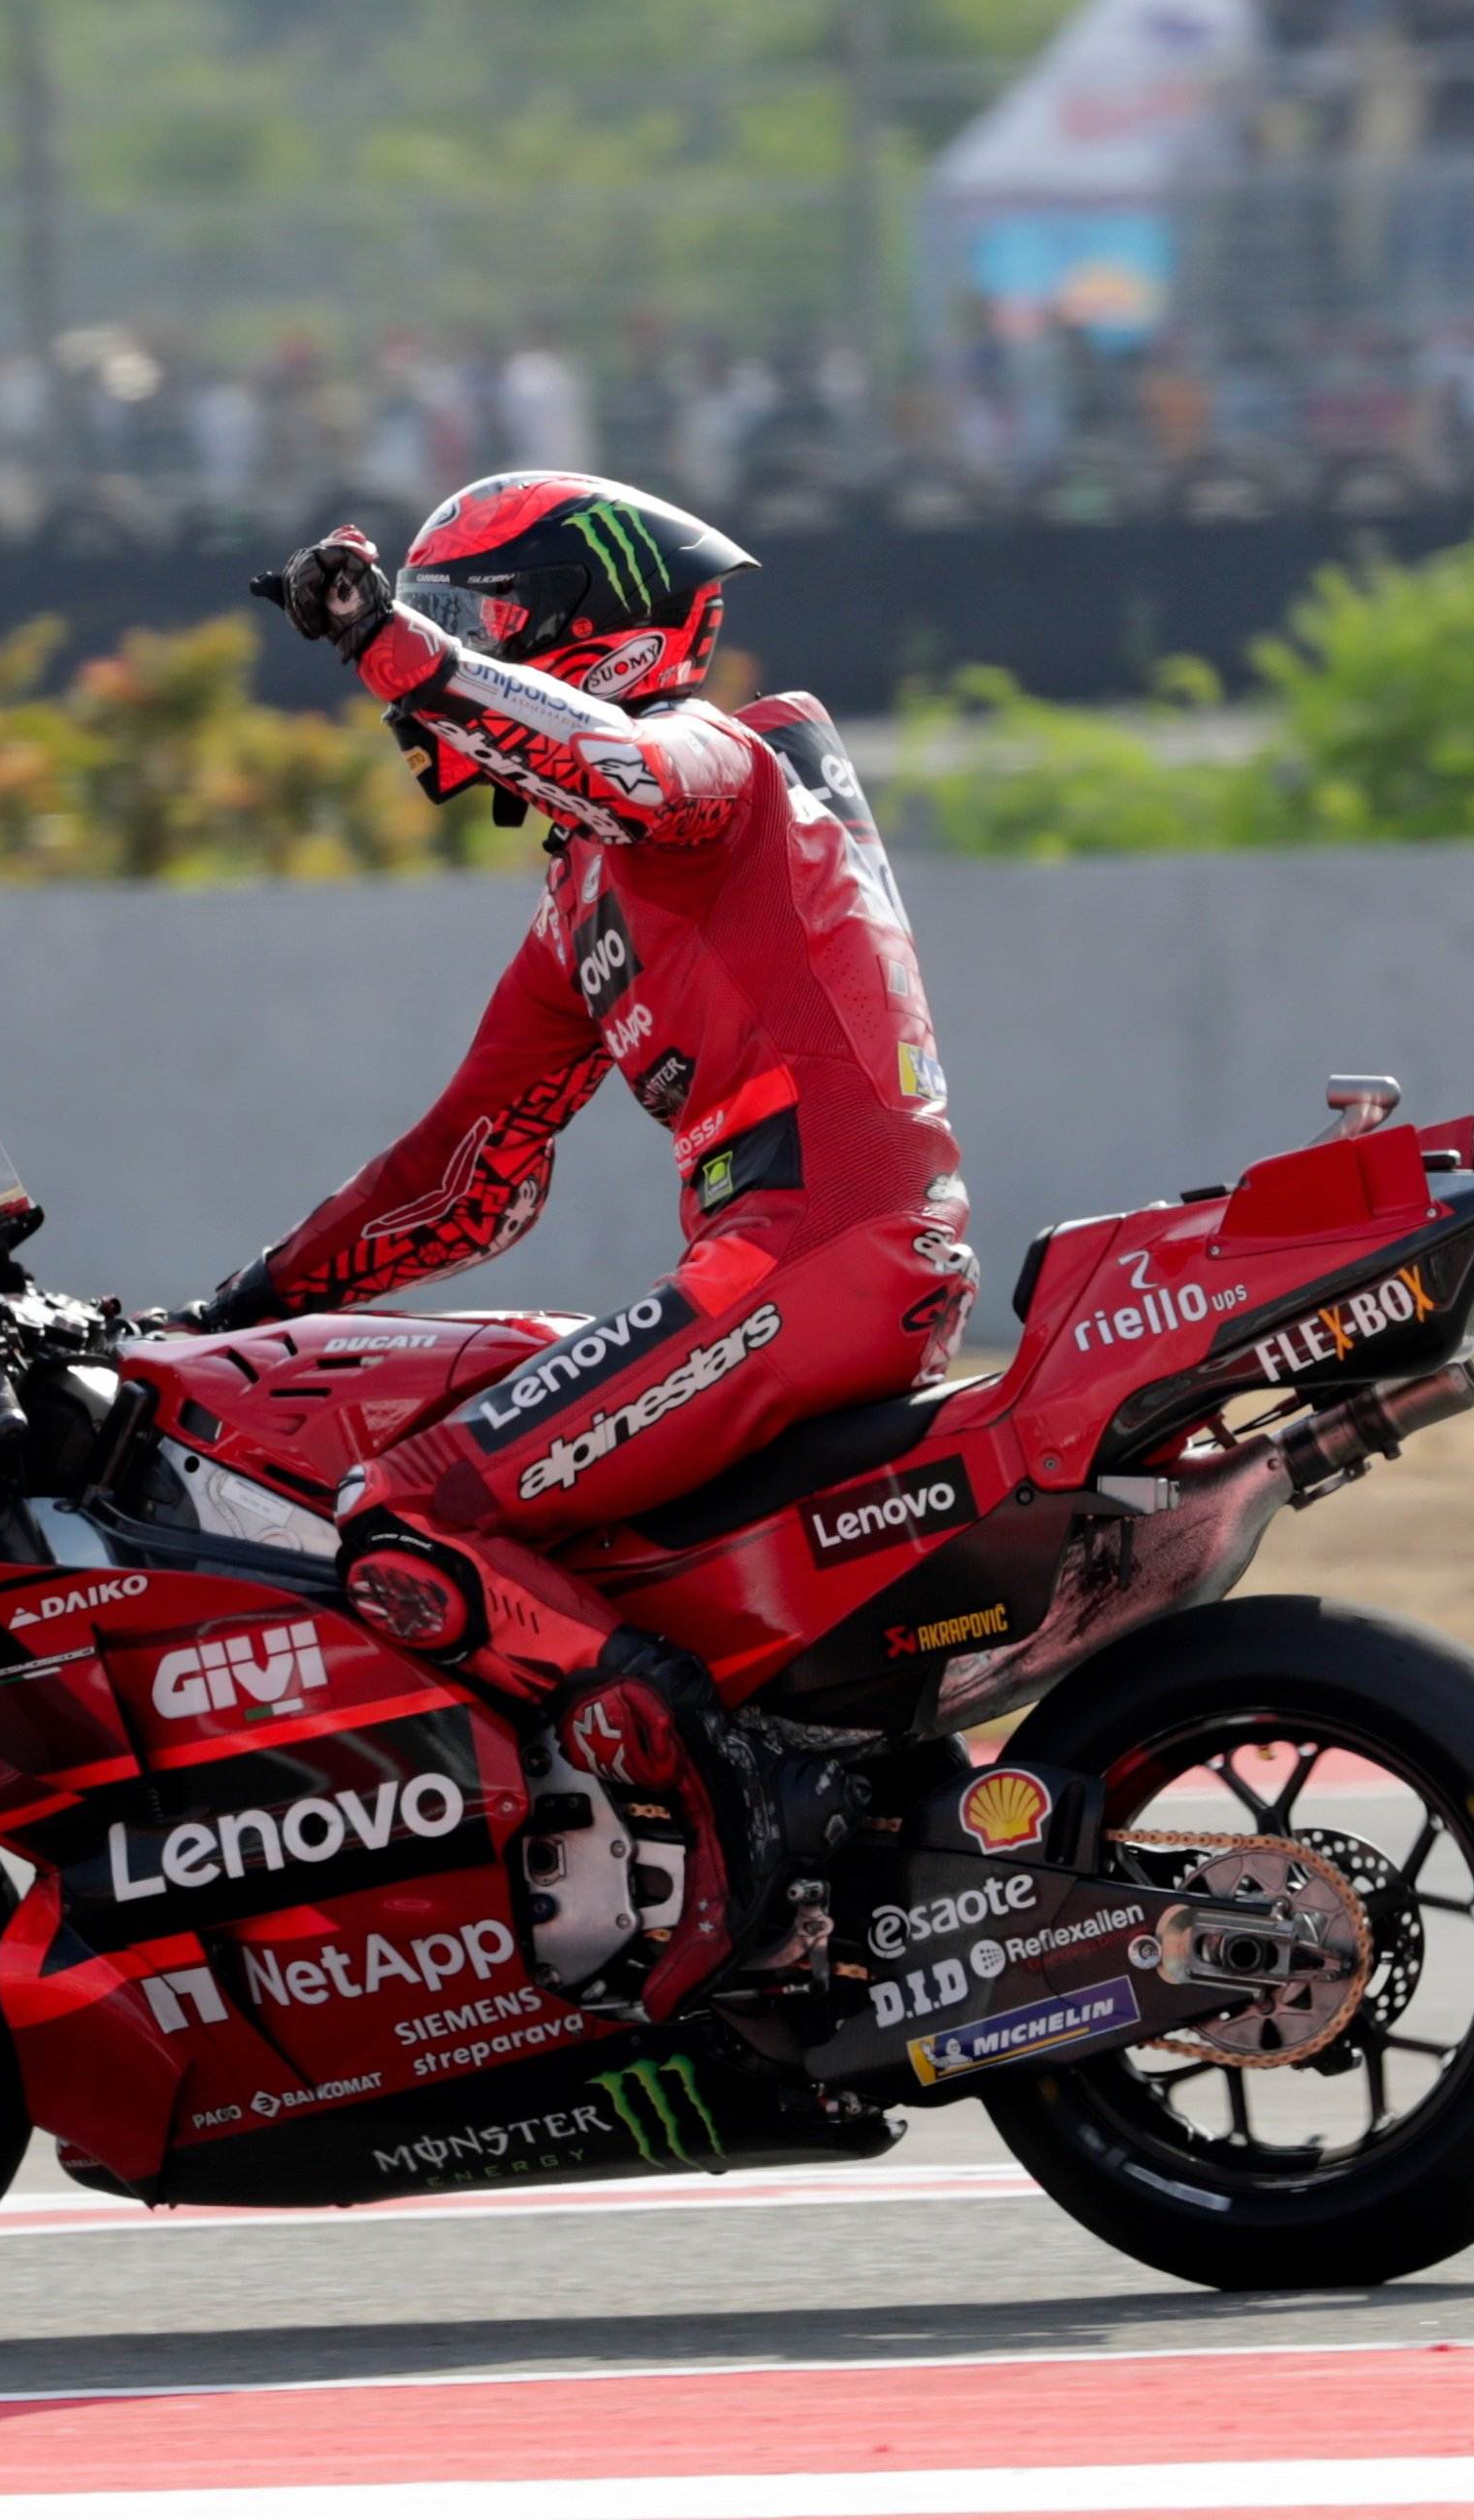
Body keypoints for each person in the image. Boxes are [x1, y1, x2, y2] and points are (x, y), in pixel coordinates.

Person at [188, 471, 976, 2021]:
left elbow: (611, 756)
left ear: (584, 621)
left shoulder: (711, 762)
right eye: (448, 616)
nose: (456, 648)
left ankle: (719, 1852)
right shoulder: (586, 903)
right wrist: (232, 1312)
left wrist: (391, 643)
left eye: (486, 615)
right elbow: (460, 1176)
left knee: (402, 1518)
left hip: (808, 1252)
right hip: (811, 1265)